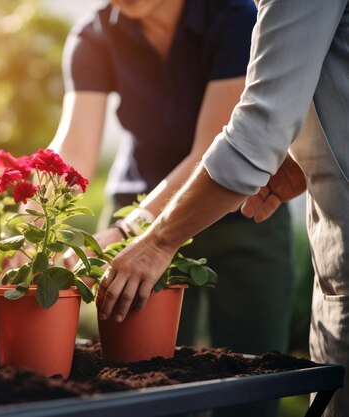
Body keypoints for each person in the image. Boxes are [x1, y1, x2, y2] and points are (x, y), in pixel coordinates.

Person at [98, 1, 349, 416]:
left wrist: (156, 240)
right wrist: (315, 155)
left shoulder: (228, 14)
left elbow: (256, 130)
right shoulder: (99, 32)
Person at [49, 2, 294, 415]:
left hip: (241, 211)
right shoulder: (94, 36)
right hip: (136, 211)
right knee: (142, 380)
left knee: (255, 382)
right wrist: (32, 228)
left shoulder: (232, 17)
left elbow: (213, 150)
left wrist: (132, 230)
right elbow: (73, 150)